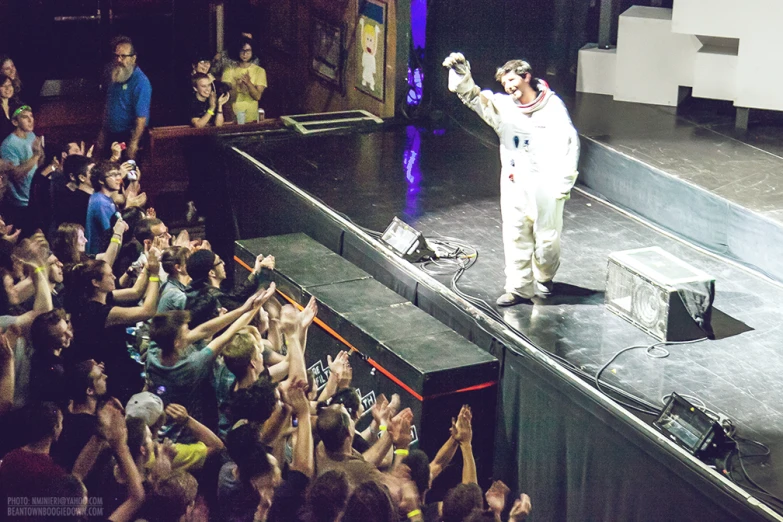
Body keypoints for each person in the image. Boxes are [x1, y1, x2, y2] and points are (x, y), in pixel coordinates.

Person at [443, 53, 580, 306]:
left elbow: (569, 144)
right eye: (505, 84)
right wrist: (462, 72)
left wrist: (563, 184)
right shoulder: (505, 108)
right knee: (516, 235)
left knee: (547, 240)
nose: (508, 88)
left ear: (527, 77)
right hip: (515, 183)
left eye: (512, 81)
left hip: (545, 187)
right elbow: (473, 97)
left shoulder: (552, 108)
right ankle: (518, 288)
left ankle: (545, 278)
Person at [0, 105, 57, 236]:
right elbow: (16, 175)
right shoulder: (9, 145)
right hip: (21, 203)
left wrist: (41, 156)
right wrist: (36, 155)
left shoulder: (31, 135)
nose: (31, 120)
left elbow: (37, 165)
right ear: (15, 122)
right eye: (25, 117)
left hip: (34, 195)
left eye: (31, 116)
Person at [96, 36, 152, 160]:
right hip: (111, 133)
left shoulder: (141, 82)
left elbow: (141, 117)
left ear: (133, 58)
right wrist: (103, 132)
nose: (119, 60)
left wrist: (133, 144)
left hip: (128, 136)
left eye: (123, 56)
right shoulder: (116, 75)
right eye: (116, 56)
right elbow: (109, 105)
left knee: (127, 175)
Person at [221, 37, 267, 123]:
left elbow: (257, 96)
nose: (245, 54)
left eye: (248, 51)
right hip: (233, 117)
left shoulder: (259, 71)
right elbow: (227, 99)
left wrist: (248, 83)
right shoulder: (228, 71)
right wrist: (236, 85)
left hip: (252, 117)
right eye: (242, 51)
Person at [0, 74, 21, 142]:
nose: (8, 88)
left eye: (9, 85)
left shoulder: (15, 106)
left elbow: (22, 110)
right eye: (3, 86)